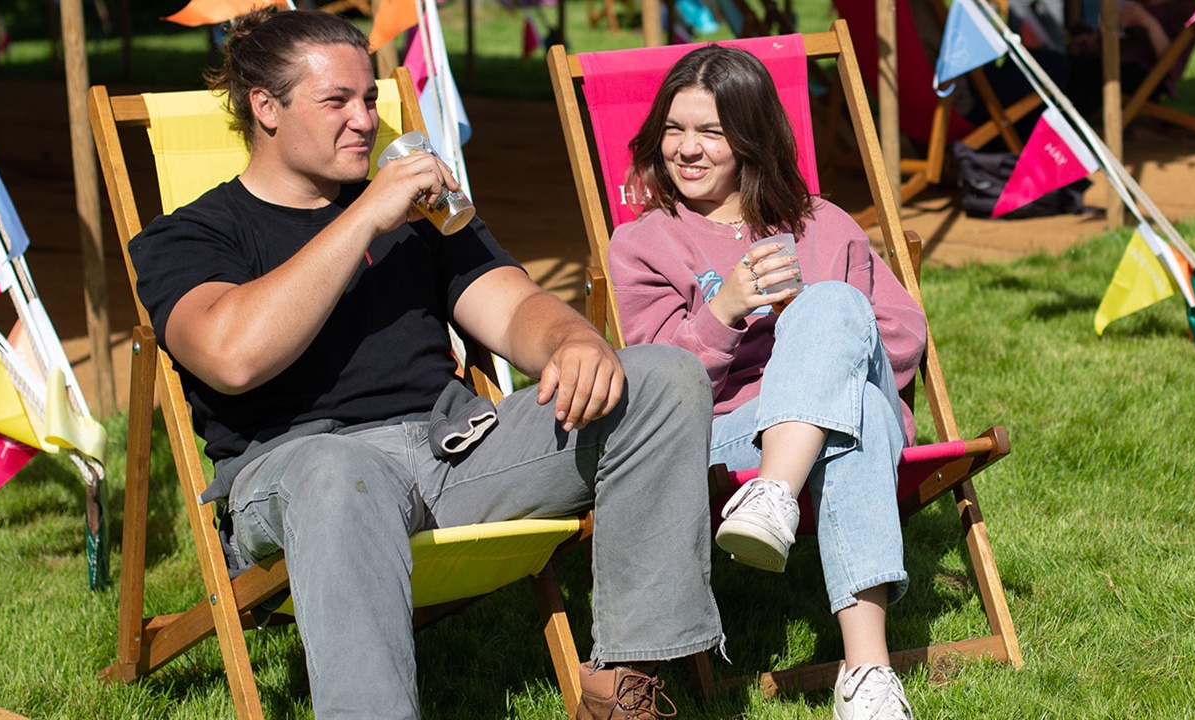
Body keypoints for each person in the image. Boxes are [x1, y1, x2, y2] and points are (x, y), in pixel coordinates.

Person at [127, 9, 722, 719]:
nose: (363, 120)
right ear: (267, 108)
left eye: (369, 99)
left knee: (661, 378)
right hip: (301, 471)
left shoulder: (421, 215)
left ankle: (625, 677)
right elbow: (232, 356)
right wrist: (364, 217)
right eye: (336, 101)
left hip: (452, 452)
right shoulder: (191, 234)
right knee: (336, 470)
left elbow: (513, 308)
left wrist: (572, 342)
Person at [608, 46, 928, 719]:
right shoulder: (645, 245)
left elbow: (903, 338)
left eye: (711, 132)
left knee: (837, 317)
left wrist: (817, 332)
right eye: (674, 128)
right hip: (729, 431)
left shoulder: (822, 224)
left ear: (751, 140)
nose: (687, 149)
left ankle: (774, 500)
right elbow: (655, 384)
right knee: (860, 411)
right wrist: (723, 314)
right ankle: (867, 676)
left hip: (806, 432)